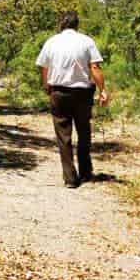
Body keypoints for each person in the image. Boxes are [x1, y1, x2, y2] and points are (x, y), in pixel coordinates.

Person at [36, 11, 109, 188]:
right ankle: (85, 171)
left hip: (59, 92)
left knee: (63, 135)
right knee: (84, 132)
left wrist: (47, 86)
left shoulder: (51, 42)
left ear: (61, 24)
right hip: (83, 93)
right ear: (77, 25)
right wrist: (103, 90)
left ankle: (70, 178)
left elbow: (44, 68)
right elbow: (95, 67)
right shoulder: (86, 41)